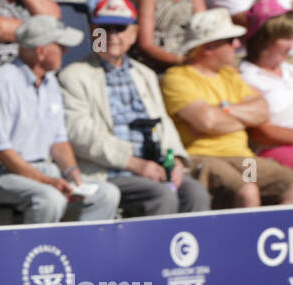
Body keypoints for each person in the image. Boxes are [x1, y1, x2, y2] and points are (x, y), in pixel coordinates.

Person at [59, 0, 211, 215]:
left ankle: (193, 248)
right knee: (160, 194)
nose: (112, 36)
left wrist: (175, 160)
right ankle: (155, 249)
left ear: (133, 33)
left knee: (195, 192)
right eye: (104, 29)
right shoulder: (73, 76)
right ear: (93, 31)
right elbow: (79, 134)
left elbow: (163, 123)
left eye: (119, 28)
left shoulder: (144, 74)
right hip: (107, 172)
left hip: (153, 167)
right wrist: (133, 163)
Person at [0, 15, 123, 221]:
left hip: (44, 169)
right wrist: (48, 181)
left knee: (106, 194)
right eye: (60, 46)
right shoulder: (1, 80)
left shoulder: (50, 81)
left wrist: (72, 174)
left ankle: (83, 251)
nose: (66, 51)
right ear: (41, 52)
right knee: (50, 199)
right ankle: (36, 253)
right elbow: (0, 151)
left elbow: (59, 141)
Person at [161, 8, 293, 204]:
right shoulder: (177, 78)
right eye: (229, 40)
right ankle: (248, 236)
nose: (237, 44)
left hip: (243, 160)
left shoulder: (230, 75)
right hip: (202, 157)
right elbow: (207, 121)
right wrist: (241, 118)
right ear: (207, 48)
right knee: (247, 190)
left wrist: (224, 109)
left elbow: (262, 111)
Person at [239, 1, 293, 172]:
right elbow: (262, 133)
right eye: (286, 38)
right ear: (264, 39)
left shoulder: (291, 70)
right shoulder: (247, 78)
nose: (291, 45)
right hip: (271, 151)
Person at [134, 0, 205, 71]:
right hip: (154, 63)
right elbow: (146, 45)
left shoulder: (196, 1)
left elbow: (203, 33)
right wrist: (182, 61)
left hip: (187, 60)